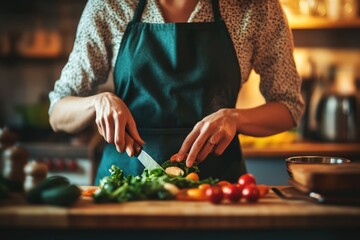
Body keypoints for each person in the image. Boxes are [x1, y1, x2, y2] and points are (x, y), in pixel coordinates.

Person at [48, 0, 304, 185]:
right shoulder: (109, 6)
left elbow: (289, 105)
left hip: (217, 190)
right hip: (125, 189)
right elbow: (58, 112)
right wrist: (99, 102)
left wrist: (235, 118)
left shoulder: (257, 8)